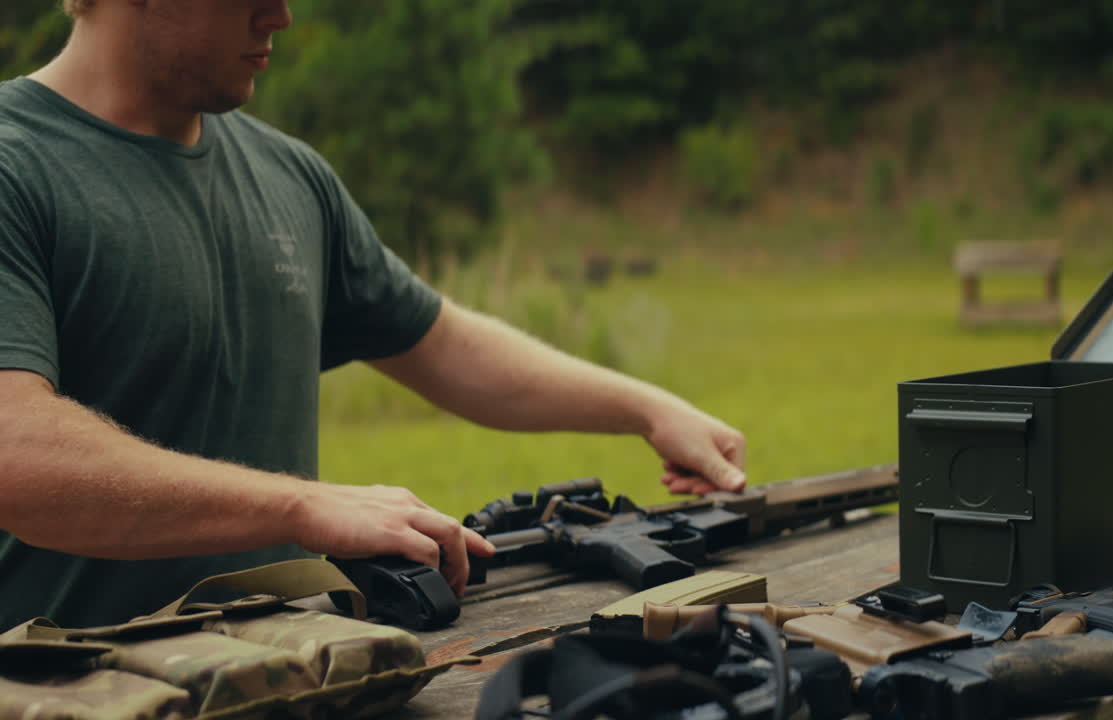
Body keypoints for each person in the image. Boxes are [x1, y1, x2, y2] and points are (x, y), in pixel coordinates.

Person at [0, 0, 746, 631]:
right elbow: (18, 455)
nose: (283, 16)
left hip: (278, 683)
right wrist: (301, 505)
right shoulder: (17, 165)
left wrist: (646, 408)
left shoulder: (289, 176)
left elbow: (443, 344)